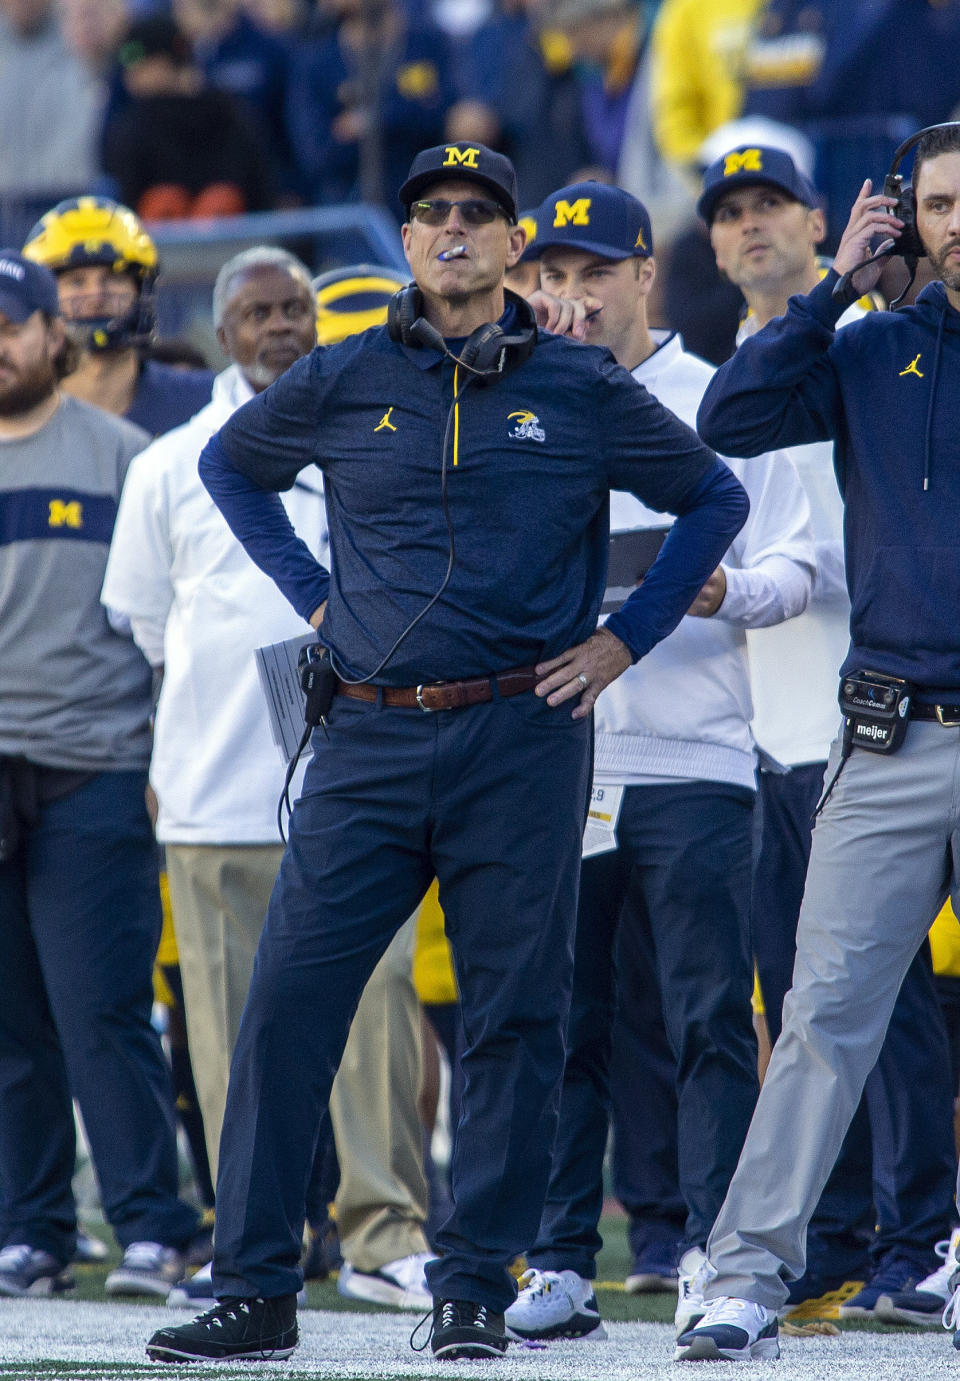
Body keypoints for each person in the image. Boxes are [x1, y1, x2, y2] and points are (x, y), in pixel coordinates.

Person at [142, 139, 748, 1366]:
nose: (456, 227)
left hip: (521, 735)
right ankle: (257, 1287)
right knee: (285, 1009)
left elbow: (714, 498)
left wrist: (627, 638)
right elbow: (228, 465)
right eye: (433, 213)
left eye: (481, 211)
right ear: (409, 242)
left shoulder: (579, 383)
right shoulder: (343, 370)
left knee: (513, 1023)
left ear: (514, 242)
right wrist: (316, 597)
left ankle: (473, 1286)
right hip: (363, 731)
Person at [499, 179, 814, 1343]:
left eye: (593, 274)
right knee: (559, 1016)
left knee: (706, 1020)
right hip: (562, 760)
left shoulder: (718, 398)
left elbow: (800, 562)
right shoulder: (520, 400)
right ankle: (564, 1257)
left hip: (694, 752)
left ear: (643, 276)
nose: (569, 297)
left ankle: (713, 1261)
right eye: (551, 276)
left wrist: (728, 590)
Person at [674, 120, 960, 1363]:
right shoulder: (871, 342)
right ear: (909, 219)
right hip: (894, 731)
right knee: (821, 1013)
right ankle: (744, 1275)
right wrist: (839, 277)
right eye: (942, 203)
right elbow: (731, 417)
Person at [102, 249, 435, 1313]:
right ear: (222, 326)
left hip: (360, 782)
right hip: (213, 788)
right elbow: (148, 626)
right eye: (256, 311)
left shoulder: (373, 430)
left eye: (296, 306)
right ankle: (261, 1236)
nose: (280, 325)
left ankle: (384, 1230)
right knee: (229, 1028)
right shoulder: (171, 462)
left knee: (377, 1008)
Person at [0, 250, 201, 1302]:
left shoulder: (128, 457)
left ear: (52, 336)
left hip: (95, 766)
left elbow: (168, 623)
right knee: (9, 1022)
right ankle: (32, 1230)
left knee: (105, 1011)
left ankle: (150, 1227)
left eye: (10, 324)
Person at [22, 197, 214, 436]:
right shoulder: (15, 412)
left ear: (140, 288)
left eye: (114, 278)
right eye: (76, 282)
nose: (96, 296)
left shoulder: (206, 400)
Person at [103, 16, 277, 219]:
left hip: (166, 248)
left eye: (135, 62)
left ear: (163, 62)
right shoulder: (236, 113)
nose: (128, 75)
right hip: (234, 246)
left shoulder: (132, 129)